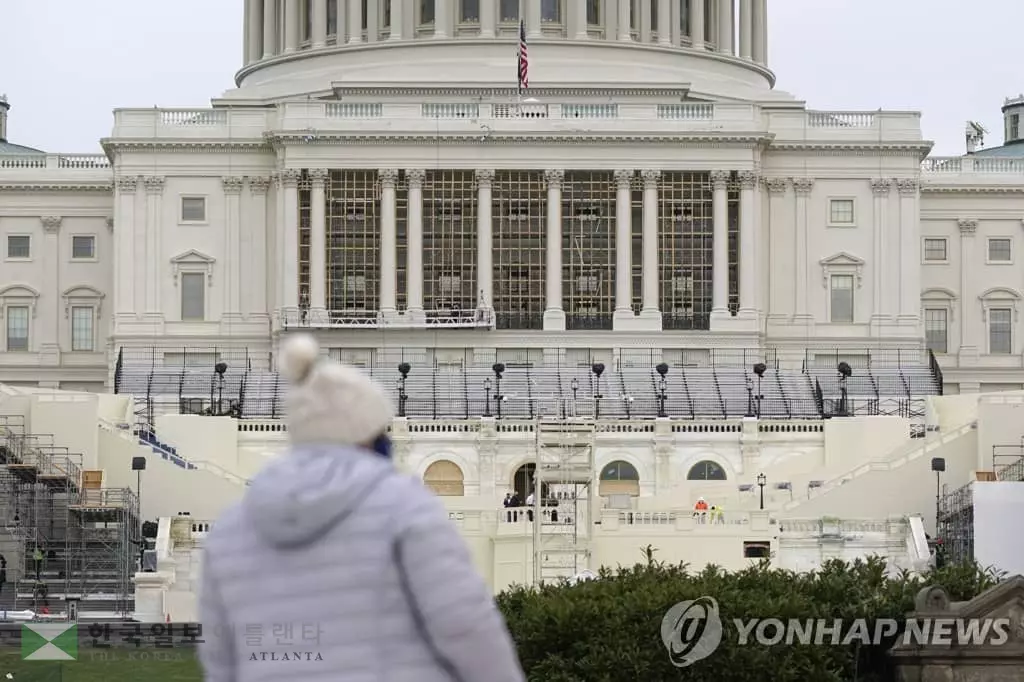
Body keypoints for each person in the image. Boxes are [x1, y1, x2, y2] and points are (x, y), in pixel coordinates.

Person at [198, 334, 525, 682]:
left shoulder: (230, 529)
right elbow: (465, 625)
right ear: (369, 432)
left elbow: (221, 657)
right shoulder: (404, 504)